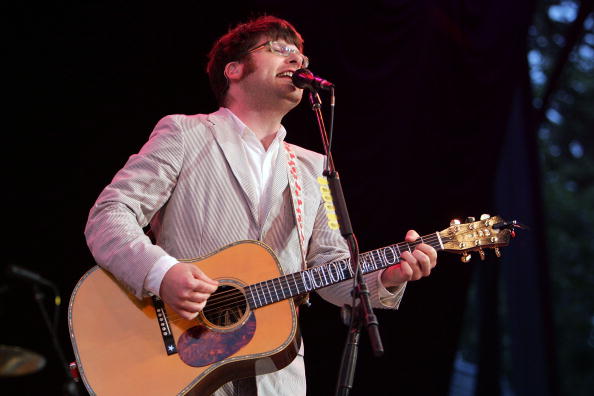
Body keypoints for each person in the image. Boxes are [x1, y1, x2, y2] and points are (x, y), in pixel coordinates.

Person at [84, 15, 437, 396]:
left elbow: (330, 266)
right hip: (180, 359)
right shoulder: (185, 134)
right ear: (233, 70)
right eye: (279, 49)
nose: (297, 61)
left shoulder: (317, 167)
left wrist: (386, 277)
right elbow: (109, 214)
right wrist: (162, 273)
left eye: (301, 56)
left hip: (275, 375)